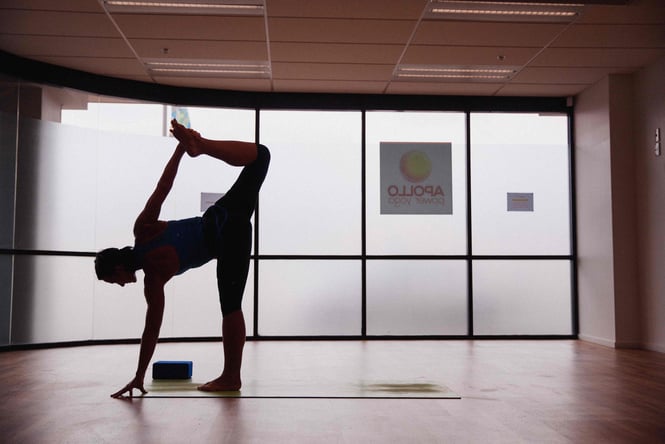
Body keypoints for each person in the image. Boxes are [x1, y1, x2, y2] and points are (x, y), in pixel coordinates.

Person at [95, 119, 270, 398]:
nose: (119, 284)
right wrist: (181, 149)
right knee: (261, 156)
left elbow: (151, 331)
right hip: (222, 215)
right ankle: (201, 146)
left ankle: (231, 376)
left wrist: (139, 376)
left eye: (113, 280)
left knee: (231, 306)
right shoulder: (143, 231)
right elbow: (163, 186)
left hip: (227, 240)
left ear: (117, 267)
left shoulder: (153, 281)